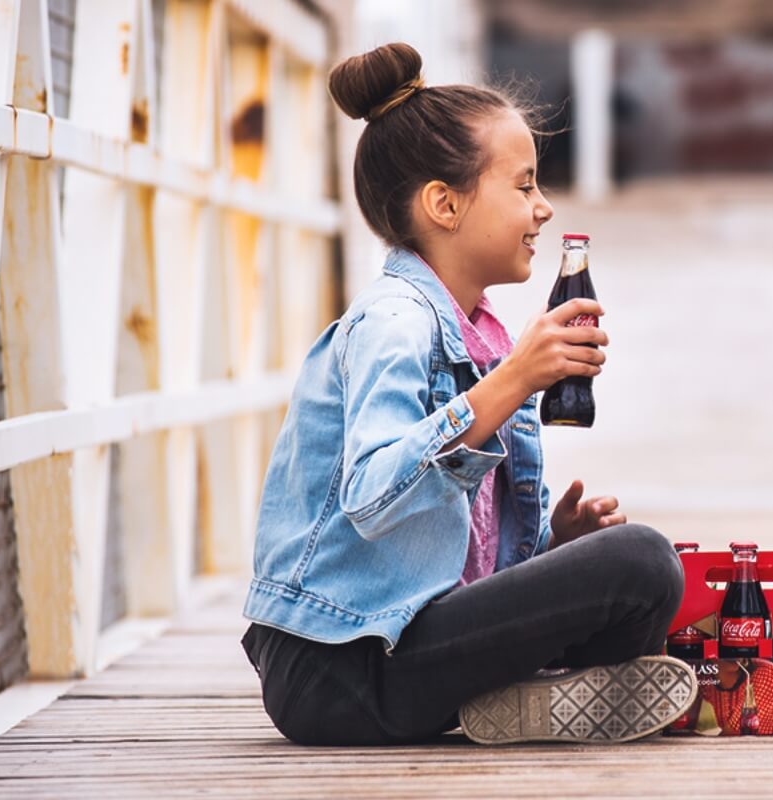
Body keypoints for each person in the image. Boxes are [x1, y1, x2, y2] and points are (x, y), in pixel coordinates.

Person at [239, 42, 695, 747]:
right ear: (445, 204)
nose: (543, 209)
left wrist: (551, 544)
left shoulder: (477, 334)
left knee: (648, 579)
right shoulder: (394, 322)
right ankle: (534, 699)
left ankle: (524, 704)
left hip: (406, 651)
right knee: (641, 559)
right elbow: (369, 492)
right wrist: (513, 381)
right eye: (523, 186)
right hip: (338, 669)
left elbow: (467, 547)